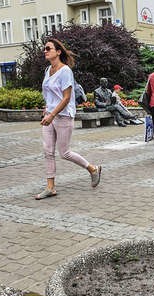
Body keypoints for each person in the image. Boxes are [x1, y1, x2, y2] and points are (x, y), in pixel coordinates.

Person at [37, 38, 101, 200]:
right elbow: (49, 94)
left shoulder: (65, 71)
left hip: (63, 115)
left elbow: (66, 98)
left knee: (64, 152)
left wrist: (52, 115)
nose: (45, 51)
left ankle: (92, 169)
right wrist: (46, 110)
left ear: (58, 52)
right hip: (49, 115)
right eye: (44, 49)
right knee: (47, 151)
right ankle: (50, 187)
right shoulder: (48, 70)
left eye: (48, 48)